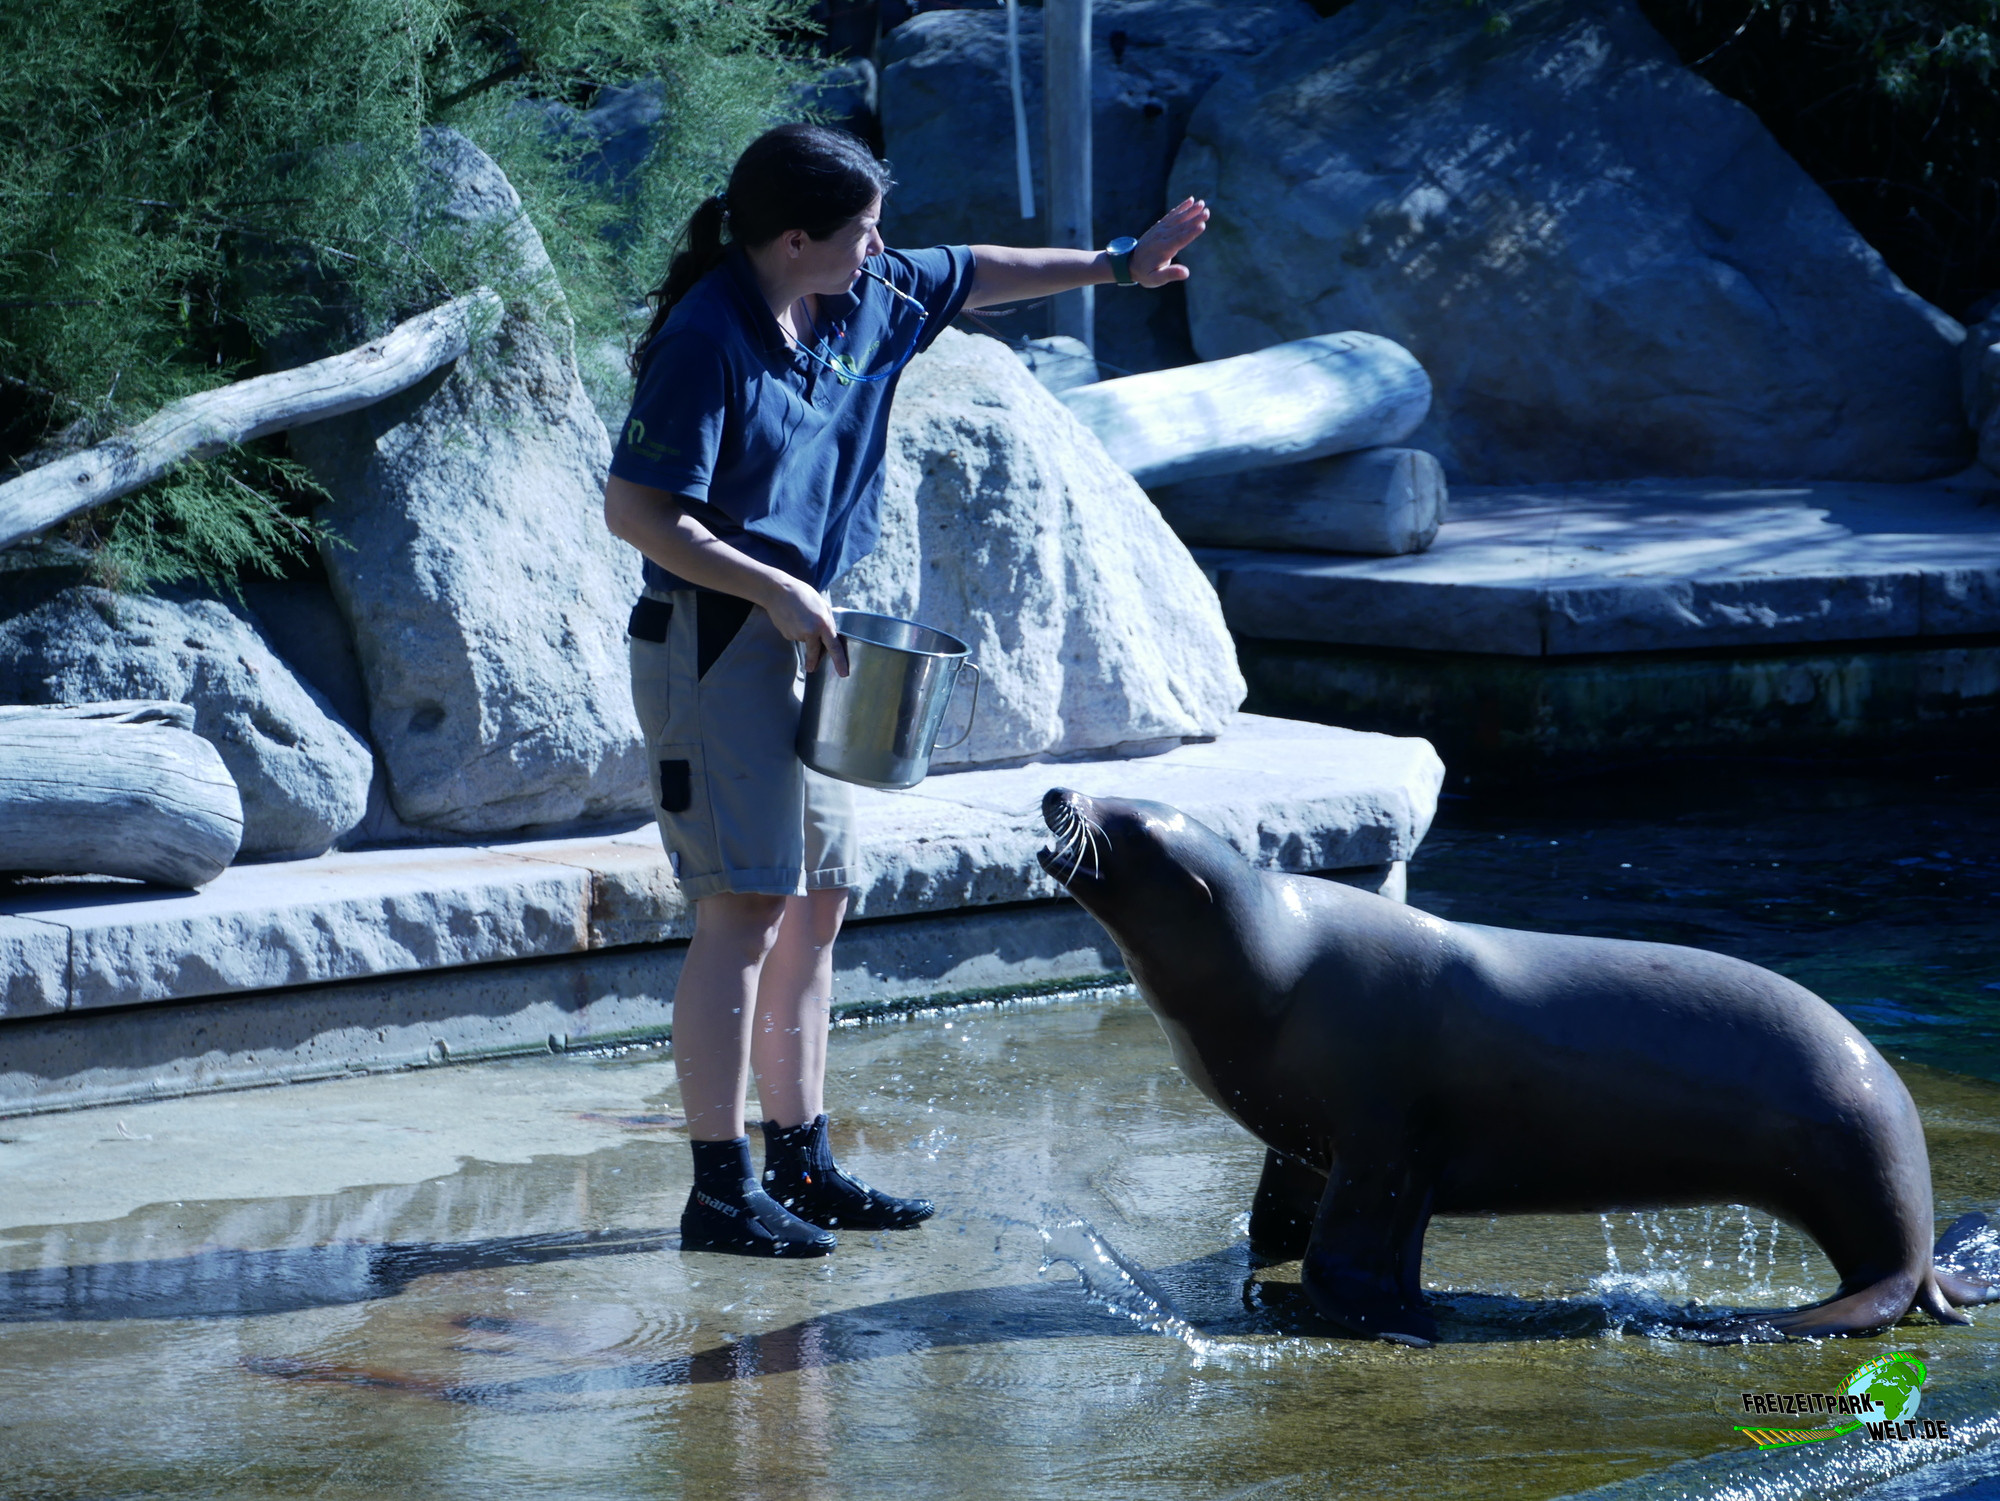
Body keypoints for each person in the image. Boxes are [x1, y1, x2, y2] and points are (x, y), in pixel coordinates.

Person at [603, 123, 1207, 1258]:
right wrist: (772, 586)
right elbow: (639, 515)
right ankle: (717, 1185)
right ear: (793, 239)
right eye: (862, 229)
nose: (884, 247)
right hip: (715, 634)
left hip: (804, 628)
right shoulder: (707, 337)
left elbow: (976, 271)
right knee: (742, 908)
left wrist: (1117, 261)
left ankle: (801, 1157)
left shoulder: (859, 292)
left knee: (817, 897)